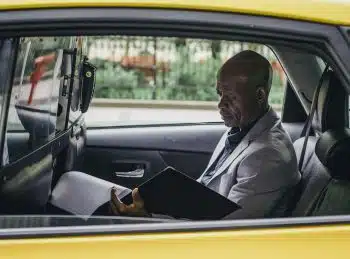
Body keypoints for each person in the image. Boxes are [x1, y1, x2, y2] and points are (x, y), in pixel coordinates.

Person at [110, 50, 301, 219]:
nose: (220, 105)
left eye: (231, 97)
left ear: (260, 96)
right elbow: (205, 190)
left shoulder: (268, 156)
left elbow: (226, 228)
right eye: (220, 95)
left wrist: (149, 218)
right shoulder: (241, 130)